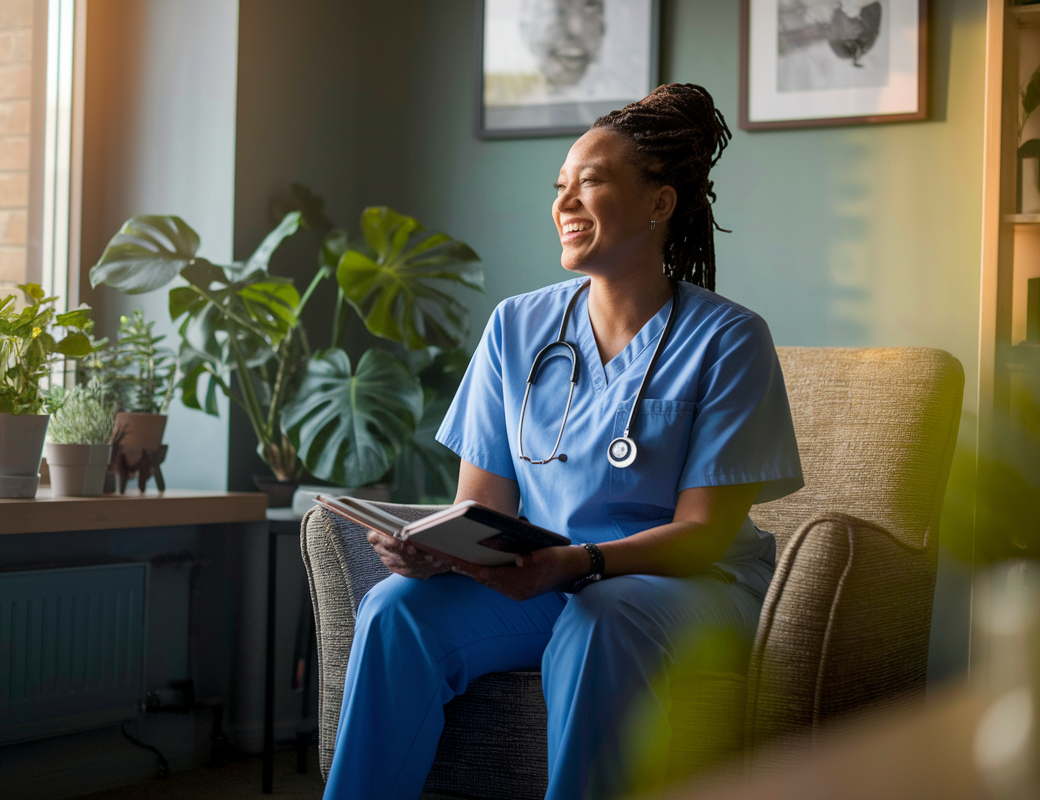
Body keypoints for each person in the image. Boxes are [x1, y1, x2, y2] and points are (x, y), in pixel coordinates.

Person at [322, 83, 803, 800]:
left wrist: (575, 563)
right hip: (546, 577)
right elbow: (479, 504)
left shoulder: (729, 339)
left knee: (601, 614)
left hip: (686, 585)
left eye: (592, 182)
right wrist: (435, 551)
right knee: (395, 610)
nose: (565, 203)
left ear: (659, 203)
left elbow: (703, 535)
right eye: (560, 187)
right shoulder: (517, 328)